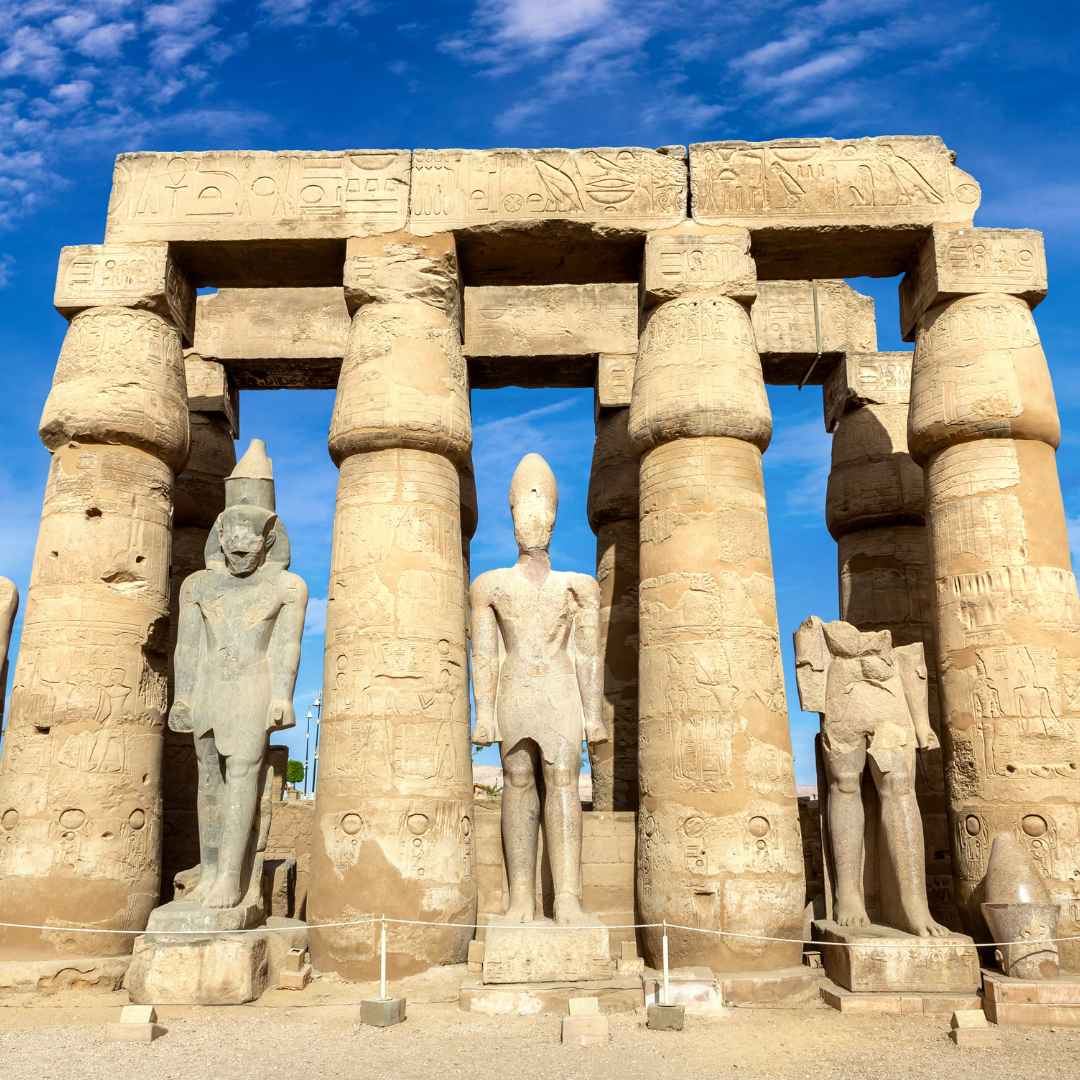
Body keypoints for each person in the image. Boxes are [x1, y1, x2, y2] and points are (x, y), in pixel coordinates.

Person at [471, 453, 607, 925]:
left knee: (563, 778)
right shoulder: (490, 586)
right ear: (511, 519)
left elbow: (587, 655)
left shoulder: (579, 587)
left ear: (553, 519)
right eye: (524, 513)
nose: (533, 523)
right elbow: (485, 655)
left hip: (560, 687)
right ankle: (521, 898)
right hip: (515, 689)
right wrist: (483, 712)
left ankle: (567, 897)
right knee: (517, 780)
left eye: (541, 513)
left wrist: (594, 716)